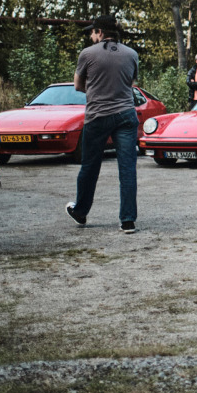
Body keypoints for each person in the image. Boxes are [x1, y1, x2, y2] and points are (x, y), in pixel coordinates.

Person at [67, 14, 140, 234]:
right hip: (126, 115)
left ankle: (81, 211)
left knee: (90, 166)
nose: (91, 35)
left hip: (98, 116)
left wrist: (97, 87)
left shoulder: (87, 54)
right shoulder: (132, 54)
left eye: (92, 32)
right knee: (127, 168)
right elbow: (132, 83)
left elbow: (78, 85)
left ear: (100, 32)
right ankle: (128, 220)